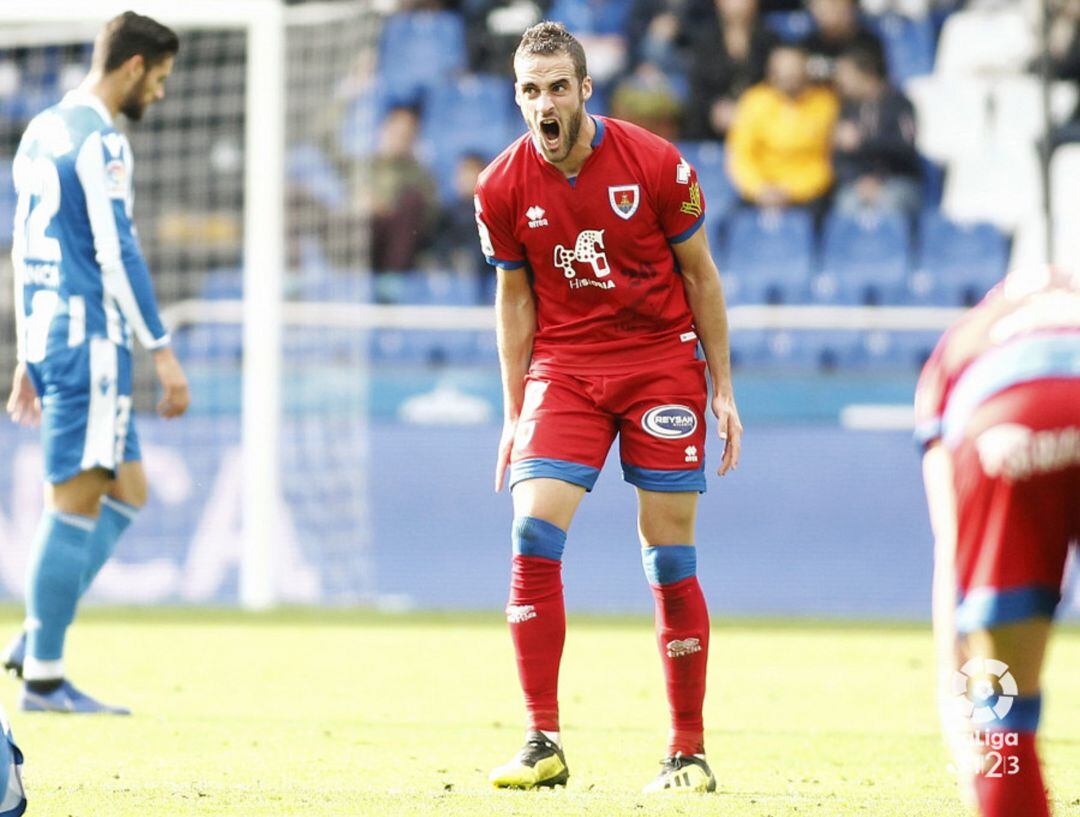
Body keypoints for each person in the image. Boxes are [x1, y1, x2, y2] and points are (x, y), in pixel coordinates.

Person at [474, 21, 743, 793]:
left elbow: (701, 277)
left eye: (559, 86)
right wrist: (512, 410)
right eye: (531, 89)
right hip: (567, 369)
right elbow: (514, 300)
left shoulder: (656, 164)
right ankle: (541, 738)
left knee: (667, 551)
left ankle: (687, 750)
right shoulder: (500, 187)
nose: (545, 102)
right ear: (518, 96)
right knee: (531, 528)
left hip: (660, 364)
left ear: (586, 90)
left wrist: (720, 386)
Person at [4, 12, 189, 714]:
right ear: (135, 66)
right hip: (88, 340)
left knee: (129, 488)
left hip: (52, 331)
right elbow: (118, 253)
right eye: (162, 79)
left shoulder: (41, 129)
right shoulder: (101, 141)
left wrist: (26, 349)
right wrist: (163, 352)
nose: (162, 95)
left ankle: (34, 633)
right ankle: (45, 678)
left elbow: (23, 246)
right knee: (75, 499)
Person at [916, 264, 1080, 817]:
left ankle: (1000, 751)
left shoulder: (964, 337)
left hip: (1006, 425)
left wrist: (954, 689)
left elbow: (952, 545)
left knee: (1004, 712)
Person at [726, 42, 839, 209]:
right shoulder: (754, 101)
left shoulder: (826, 104)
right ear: (772, 72)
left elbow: (828, 161)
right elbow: (741, 154)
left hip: (809, 195)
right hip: (761, 191)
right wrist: (759, 189)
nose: (789, 77)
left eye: (794, 71)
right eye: (783, 71)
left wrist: (793, 191)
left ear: (805, 71)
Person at [832, 43, 921, 217]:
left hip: (898, 181)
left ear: (866, 74)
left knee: (889, 204)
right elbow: (839, 158)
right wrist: (858, 180)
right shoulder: (847, 110)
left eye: (845, 74)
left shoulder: (899, 104)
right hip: (857, 185)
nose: (839, 80)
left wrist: (863, 141)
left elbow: (906, 148)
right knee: (845, 205)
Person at [682, 0, 778, 140]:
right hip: (711, 125)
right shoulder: (704, 41)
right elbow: (698, 87)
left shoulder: (769, 40)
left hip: (760, 123)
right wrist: (713, 109)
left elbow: (773, 86)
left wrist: (746, 113)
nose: (738, 4)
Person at [802, 0, 886, 82]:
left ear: (851, 6)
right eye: (819, 5)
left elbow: (881, 89)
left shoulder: (871, 43)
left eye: (834, 4)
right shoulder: (806, 45)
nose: (827, 11)